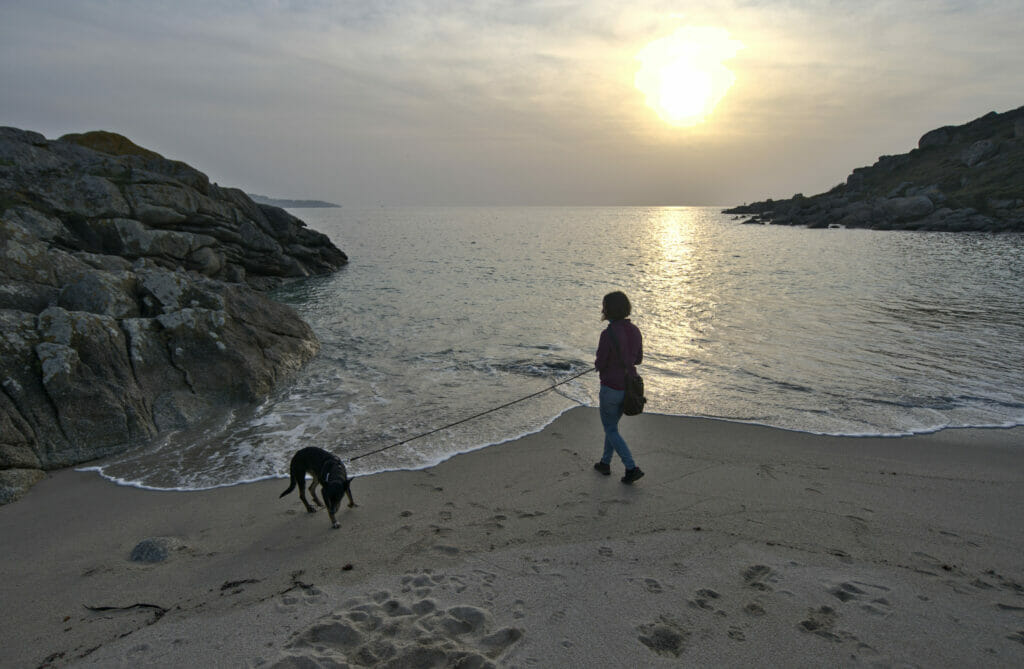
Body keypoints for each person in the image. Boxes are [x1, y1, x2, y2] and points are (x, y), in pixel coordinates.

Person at [593, 290, 644, 484]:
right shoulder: (635, 330)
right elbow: (638, 359)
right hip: (630, 387)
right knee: (612, 427)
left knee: (610, 429)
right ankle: (605, 463)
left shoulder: (608, 334)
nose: (602, 309)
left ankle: (631, 467)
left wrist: (599, 365)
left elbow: (601, 362)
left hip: (611, 387)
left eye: (604, 306)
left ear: (609, 310)